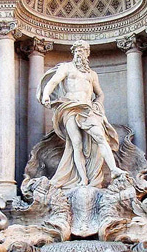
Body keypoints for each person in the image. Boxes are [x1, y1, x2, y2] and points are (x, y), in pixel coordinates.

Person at [37, 40, 126, 188]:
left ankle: (114, 169)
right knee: (76, 144)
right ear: (73, 53)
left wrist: (98, 104)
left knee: (100, 137)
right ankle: (83, 179)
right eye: (77, 51)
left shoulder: (91, 74)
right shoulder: (66, 68)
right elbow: (53, 83)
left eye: (82, 51)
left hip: (87, 109)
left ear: (87, 54)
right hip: (69, 108)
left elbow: (100, 93)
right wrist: (46, 95)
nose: (79, 53)